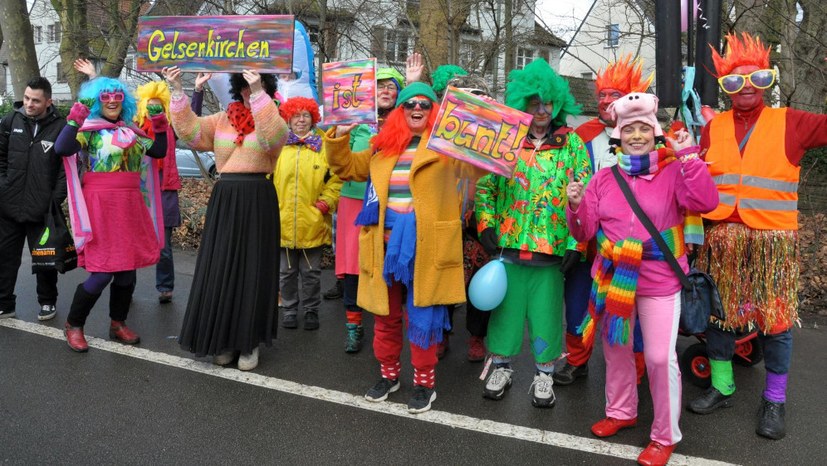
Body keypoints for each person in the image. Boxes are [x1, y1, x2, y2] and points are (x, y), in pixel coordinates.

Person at [566, 92, 718, 466]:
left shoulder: (672, 171)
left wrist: (689, 158)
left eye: (643, 129)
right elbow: (584, 231)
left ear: (655, 134)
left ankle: (665, 436)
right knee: (616, 349)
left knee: (657, 358)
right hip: (616, 279)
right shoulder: (604, 178)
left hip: (660, 280)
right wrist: (573, 204)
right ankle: (621, 411)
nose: (636, 135)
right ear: (618, 137)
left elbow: (705, 202)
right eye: (628, 130)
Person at [687, 32, 827, 440]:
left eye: (756, 79)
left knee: (776, 324)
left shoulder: (792, 122)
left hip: (772, 245)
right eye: (734, 81)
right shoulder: (713, 129)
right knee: (719, 318)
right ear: (725, 86)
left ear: (768, 82)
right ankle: (723, 386)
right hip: (722, 241)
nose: (745, 87)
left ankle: (774, 401)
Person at [325, 82, 484, 414]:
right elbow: (347, 169)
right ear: (400, 109)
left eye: (425, 104)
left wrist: (476, 132)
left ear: (433, 112)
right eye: (410, 103)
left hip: (426, 248)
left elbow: (474, 171)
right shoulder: (382, 147)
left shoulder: (444, 148)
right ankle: (389, 376)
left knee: (422, 317)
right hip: (383, 249)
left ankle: (425, 384)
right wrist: (338, 137)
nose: (417, 108)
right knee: (385, 316)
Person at [475, 58, 591, 408]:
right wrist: (486, 225)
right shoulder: (506, 139)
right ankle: (501, 367)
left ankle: (544, 375)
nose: (541, 110)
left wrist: (577, 242)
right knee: (506, 314)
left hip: (551, 252)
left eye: (548, 103)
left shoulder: (571, 144)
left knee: (545, 316)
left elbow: (584, 196)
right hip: (508, 250)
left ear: (557, 104)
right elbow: (485, 188)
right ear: (523, 103)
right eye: (534, 103)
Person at [166, 67, 288, 371]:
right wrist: (177, 90)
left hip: (257, 197)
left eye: (254, 86)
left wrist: (260, 93)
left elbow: (273, 139)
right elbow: (189, 133)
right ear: (236, 89)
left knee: (252, 270)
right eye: (244, 87)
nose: (248, 92)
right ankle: (224, 339)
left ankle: (249, 343)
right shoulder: (222, 119)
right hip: (225, 198)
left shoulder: (273, 116)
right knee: (221, 268)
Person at [557, 56, 654, 385]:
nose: (606, 101)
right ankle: (577, 359)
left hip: (631, 242)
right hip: (587, 239)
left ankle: (637, 370)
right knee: (577, 301)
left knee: (632, 309)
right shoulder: (581, 134)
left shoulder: (649, 136)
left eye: (615, 94)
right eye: (602, 94)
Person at [54, 76, 169, 352]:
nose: (113, 101)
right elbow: (62, 148)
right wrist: (76, 116)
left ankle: (117, 322)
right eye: (105, 96)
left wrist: (160, 124)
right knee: (102, 272)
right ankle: (74, 324)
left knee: (127, 271)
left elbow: (159, 151)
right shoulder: (89, 130)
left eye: (118, 96)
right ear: (96, 100)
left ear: (125, 101)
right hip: (100, 205)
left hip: (129, 205)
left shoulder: (131, 131)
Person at [333, 55, 422, 353]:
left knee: (386, 264)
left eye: (392, 87)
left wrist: (412, 82)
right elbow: (341, 159)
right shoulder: (357, 120)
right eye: (380, 86)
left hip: (391, 206)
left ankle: (389, 322)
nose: (386, 91)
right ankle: (353, 326)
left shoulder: (404, 122)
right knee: (354, 266)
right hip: (354, 200)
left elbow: (419, 112)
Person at [0, 77, 66, 321]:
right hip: (9, 205)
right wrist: (3, 187)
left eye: (36, 101)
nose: (29, 104)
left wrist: (53, 200)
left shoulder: (61, 127)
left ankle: (48, 302)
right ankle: (4, 303)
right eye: (27, 98)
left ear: (48, 101)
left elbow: (65, 171)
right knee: (5, 257)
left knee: (45, 260)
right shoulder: (11, 120)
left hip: (42, 209)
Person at [274, 96, 341, 331]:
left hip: (312, 222)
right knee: (286, 273)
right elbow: (267, 177)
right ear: (288, 118)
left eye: (305, 115)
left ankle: (311, 310)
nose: (300, 120)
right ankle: (290, 309)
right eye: (295, 115)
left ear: (313, 118)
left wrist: (325, 203)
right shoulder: (278, 145)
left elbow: (336, 179)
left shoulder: (325, 145)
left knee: (311, 274)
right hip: (282, 223)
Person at [445, 72, 495, 362]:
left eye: (478, 98)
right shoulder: (445, 131)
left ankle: (477, 336)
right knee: (446, 279)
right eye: (467, 98)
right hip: (448, 215)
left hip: (481, 218)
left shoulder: (498, 133)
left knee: (480, 282)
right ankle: (442, 332)